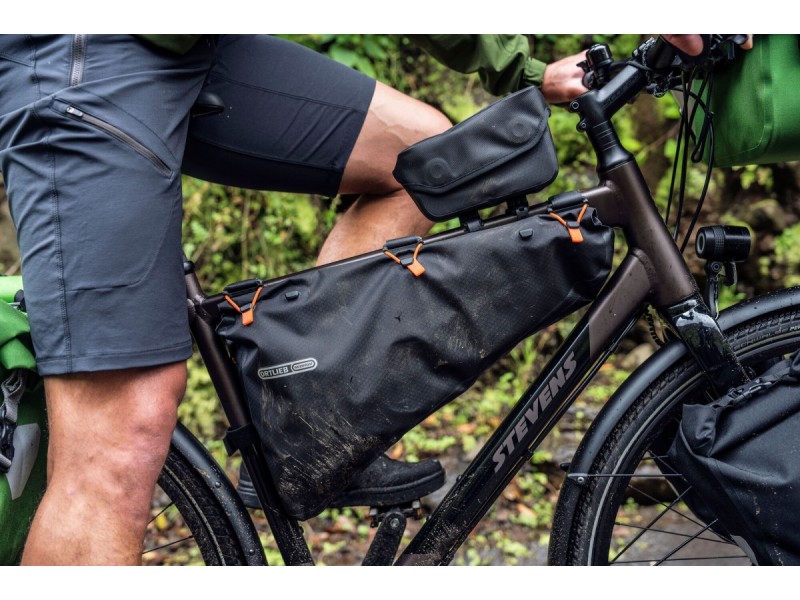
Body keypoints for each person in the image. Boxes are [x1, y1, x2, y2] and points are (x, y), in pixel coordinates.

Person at [0, 33, 600, 565]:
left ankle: (314, 433)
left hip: (190, 47)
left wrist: (524, 68)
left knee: (426, 158)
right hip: (83, 58)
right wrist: (522, 68)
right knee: (117, 442)